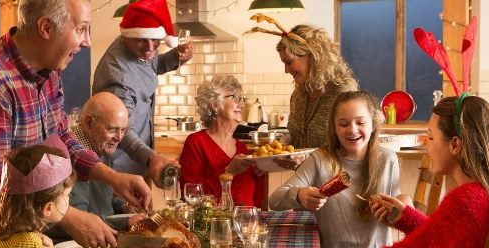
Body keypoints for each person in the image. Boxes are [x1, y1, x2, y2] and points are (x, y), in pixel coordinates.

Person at [0, 0, 150, 248]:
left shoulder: (49, 70)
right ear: (46, 28)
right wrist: (70, 218)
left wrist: (112, 177)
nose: (86, 41)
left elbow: (61, 138)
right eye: (81, 29)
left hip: (23, 215)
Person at [370, 95, 489, 248]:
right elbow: (447, 237)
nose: (428, 145)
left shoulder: (466, 202)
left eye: (431, 137)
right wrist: (407, 218)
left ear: (455, 145)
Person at [268, 91, 402, 248]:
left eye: (360, 123)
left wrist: (401, 206)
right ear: (334, 128)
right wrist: (299, 195)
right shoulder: (319, 160)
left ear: (373, 125)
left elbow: (396, 211)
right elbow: (274, 200)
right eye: (344, 124)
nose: (352, 130)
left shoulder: (388, 160)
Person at [92, 0, 193, 186]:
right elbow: (121, 132)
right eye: (141, 40)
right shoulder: (119, 78)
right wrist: (152, 158)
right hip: (119, 170)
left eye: (155, 39)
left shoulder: (133, 44)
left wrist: (176, 57)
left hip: (138, 163)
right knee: (125, 215)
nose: (149, 47)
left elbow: (151, 64)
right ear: (128, 36)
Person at [46, 92, 146, 242]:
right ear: (88, 123)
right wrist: (125, 223)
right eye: (112, 129)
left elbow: (103, 201)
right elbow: (77, 225)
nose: (119, 138)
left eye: (123, 130)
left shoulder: (101, 147)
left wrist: (124, 207)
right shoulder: (69, 161)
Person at [272, 24, 359, 170]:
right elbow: (297, 141)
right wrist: (285, 149)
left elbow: (352, 149)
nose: (286, 70)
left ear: (312, 56)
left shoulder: (343, 94)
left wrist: (306, 160)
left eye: (288, 62)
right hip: (308, 183)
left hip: (339, 182)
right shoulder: (298, 96)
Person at [178, 75, 266, 207]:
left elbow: (253, 200)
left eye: (241, 99)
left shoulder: (241, 148)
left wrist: (259, 173)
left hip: (243, 223)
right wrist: (228, 172)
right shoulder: (196, 143)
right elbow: (192, 198)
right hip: (212, 225)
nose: (241, 104)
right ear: (215, 105)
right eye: (234, 97)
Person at [0, 138, 74, 248]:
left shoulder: (4, 231)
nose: (69, 199)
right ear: (48, 208)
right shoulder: (30, 243)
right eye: (67, 195)